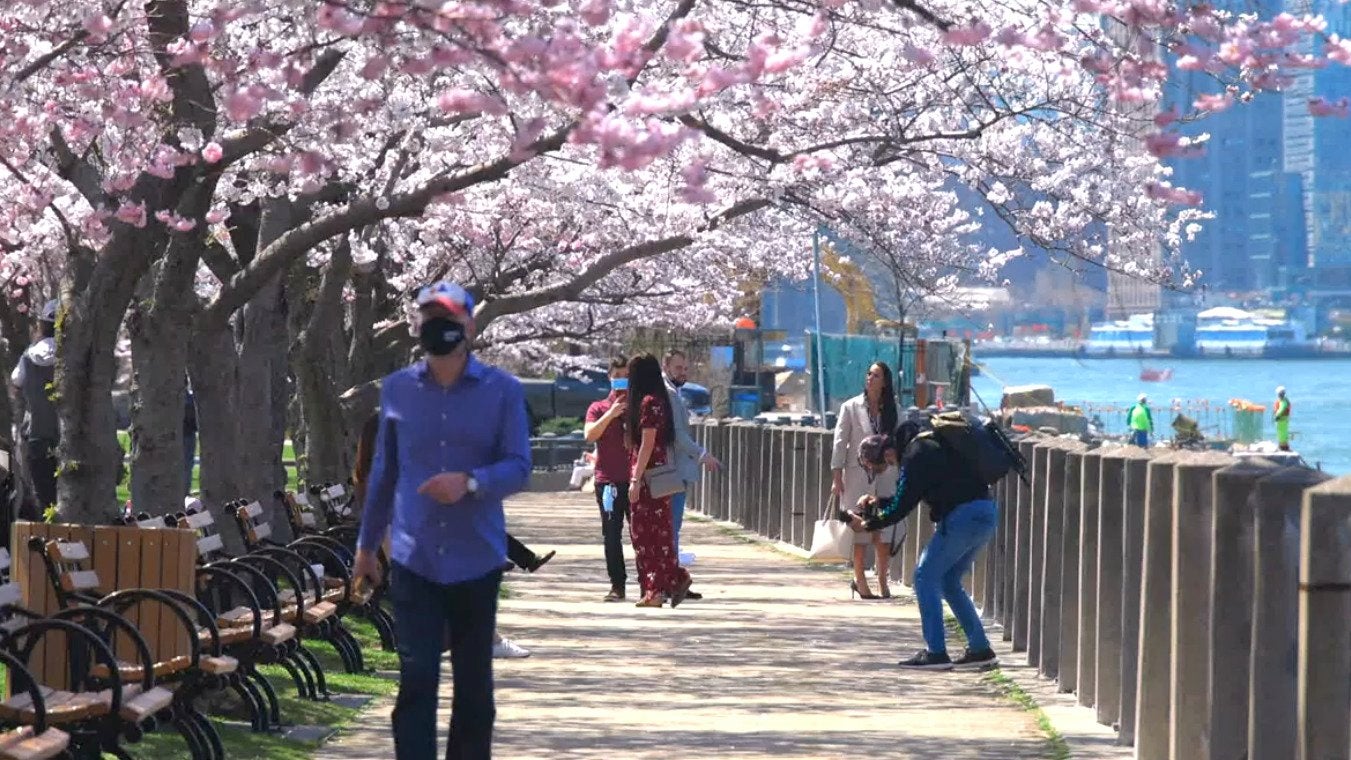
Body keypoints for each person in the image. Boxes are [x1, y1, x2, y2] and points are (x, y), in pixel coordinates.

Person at [353, 281, 531, 759]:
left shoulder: (503, 391)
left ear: (469, 325)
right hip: (415, 559)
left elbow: (519, 466)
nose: (439, 327)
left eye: (448, 319)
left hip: (478, 557)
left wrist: (471, 482)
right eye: (430, 318)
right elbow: (383, 473)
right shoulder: (398, 390)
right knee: (417, 678)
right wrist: (366, 548)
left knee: (474, 687)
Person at [847, 417, 999, 671]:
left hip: (961, 517)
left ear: (889, 452)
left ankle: (936, 652)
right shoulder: (930, 445)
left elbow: (902, 505)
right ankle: (980, 649)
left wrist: (869, 524)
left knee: (923, 576)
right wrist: (879, 504)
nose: (892, 466)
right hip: (986, 512)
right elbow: (908, 496)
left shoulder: (915, 456)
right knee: (948, 581)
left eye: (887, 464)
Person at [625, 353, 694, 608]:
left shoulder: (648, 403)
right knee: (659, 535)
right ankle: (671, 580)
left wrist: (635, 479)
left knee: (645, 535)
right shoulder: (660, 400)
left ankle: (657, 588)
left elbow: (648, 443)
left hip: (648, 478)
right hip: (657, 476)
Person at [831, 361, 901, 599]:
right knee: (860, 527)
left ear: (885, 382)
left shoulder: (893, 409)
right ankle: (859, 579)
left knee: (885, 527)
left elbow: (901, 440)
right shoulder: (850, 407)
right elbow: (840, 442)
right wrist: (837, 475)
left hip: (886, 474)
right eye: (869, 374)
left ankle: (882, 579)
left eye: (876, 375)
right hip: (858, 474)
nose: (870, 378)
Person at [662, 349, 719, 592]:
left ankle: (671, 580)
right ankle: (671, 582)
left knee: (671, 528)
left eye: (685, 369)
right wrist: (702, 454)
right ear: (666, 367)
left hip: (674, 470)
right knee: (671, 528)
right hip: (673, 471)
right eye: (678, 368)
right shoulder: (669, 394)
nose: (683, 373)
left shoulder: (674, 392)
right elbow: (678, 435)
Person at [584, 356, 632, 602]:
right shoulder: (598, 407)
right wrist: (611, 414)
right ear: (610, 377)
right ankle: (617, 585)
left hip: (635, 481)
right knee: (612, 535)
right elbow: (590, 435)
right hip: (607, 482)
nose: (622, 380)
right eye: (618, 376)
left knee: (641, 535)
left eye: (627, 376)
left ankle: (650, 584)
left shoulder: (639, 407)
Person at [11, 300, 58, 513]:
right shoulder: (72, 357)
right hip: (67, 436)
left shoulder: (29, 355)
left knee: (42, 495)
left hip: (36, 434)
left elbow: (16, 380)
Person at [850, 434, 901, 599]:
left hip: (884, 483)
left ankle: (882, 581)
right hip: (860, 482)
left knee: (884, 538)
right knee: (861, 536)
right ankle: (860, 580)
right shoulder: (863, 464)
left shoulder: (891, 464)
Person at [1274, 386, 1292, 451]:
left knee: (1282, 434)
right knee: (1283, 433)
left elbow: (1282, 409)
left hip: (1281, 419)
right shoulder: (1285, 400)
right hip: (1284, 419)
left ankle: (1283, 447)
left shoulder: (1283, 401)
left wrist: (1277, 415)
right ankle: (1283, 446)